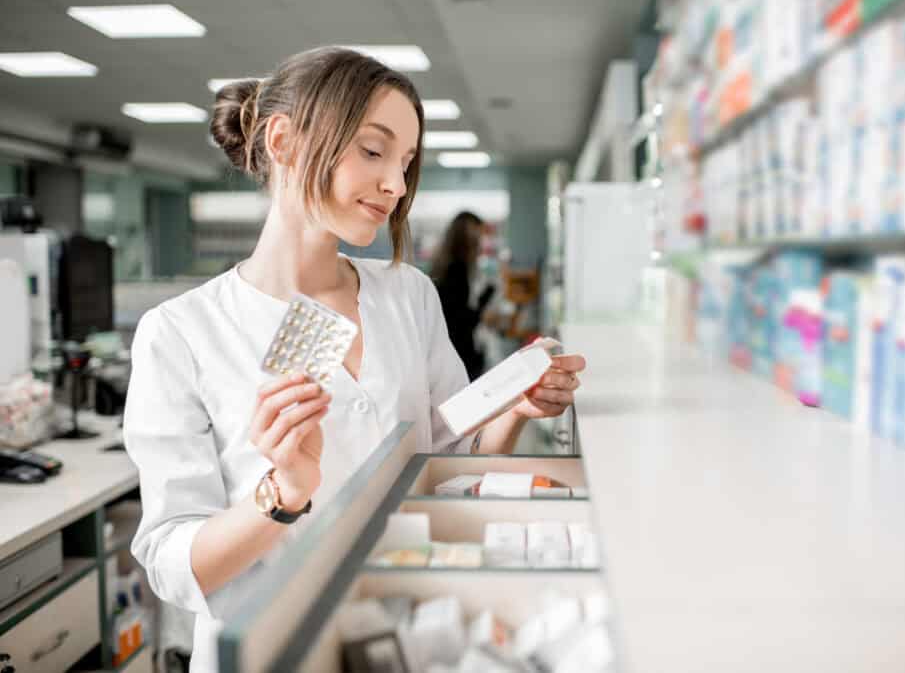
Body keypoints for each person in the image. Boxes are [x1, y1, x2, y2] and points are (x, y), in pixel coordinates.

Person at [122, 46, 585, 673]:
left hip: (408, 625)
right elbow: (175, 567)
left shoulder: (408, 294)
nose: (396, 184)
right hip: (273, 645)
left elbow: (446, 465)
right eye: (374, 150)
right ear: (283, 141)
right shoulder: (179, 332)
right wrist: (281, 493)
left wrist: (513, 407)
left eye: (405, 162)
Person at [430, 210, 496, 379]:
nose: (480, 243)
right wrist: (488, 294)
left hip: (450, 353)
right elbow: (465, 322)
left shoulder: (444, 265)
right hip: (460, 356)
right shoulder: (457, 270)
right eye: (478, 236)